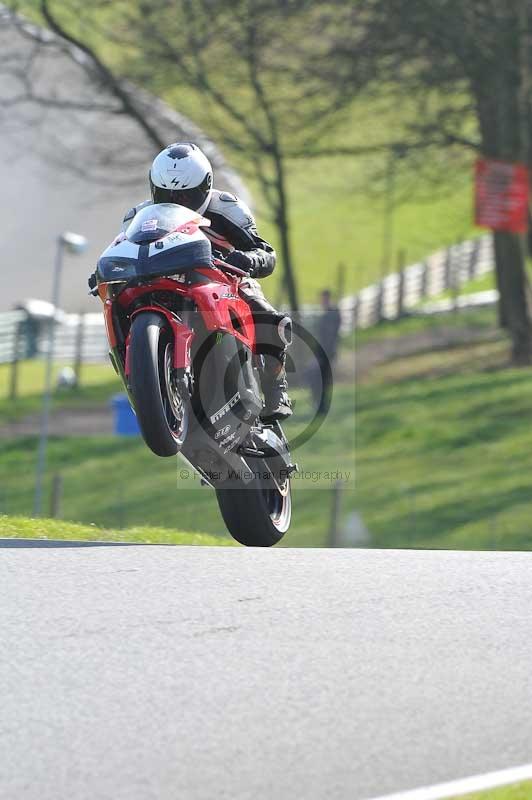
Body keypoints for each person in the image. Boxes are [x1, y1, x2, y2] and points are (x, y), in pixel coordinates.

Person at [98, 142, 292, 421]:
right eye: (167, 194)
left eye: (185, 196)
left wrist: (248, 260)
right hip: (159, 280)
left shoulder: (226, 208)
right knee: (117, 301)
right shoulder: (138, 216)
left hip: (223, 280)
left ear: (205, 186)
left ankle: (276, 390)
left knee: (268, 318)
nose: (176, 202)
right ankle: (144, 377)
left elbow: (265, 252)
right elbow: (123, 247)